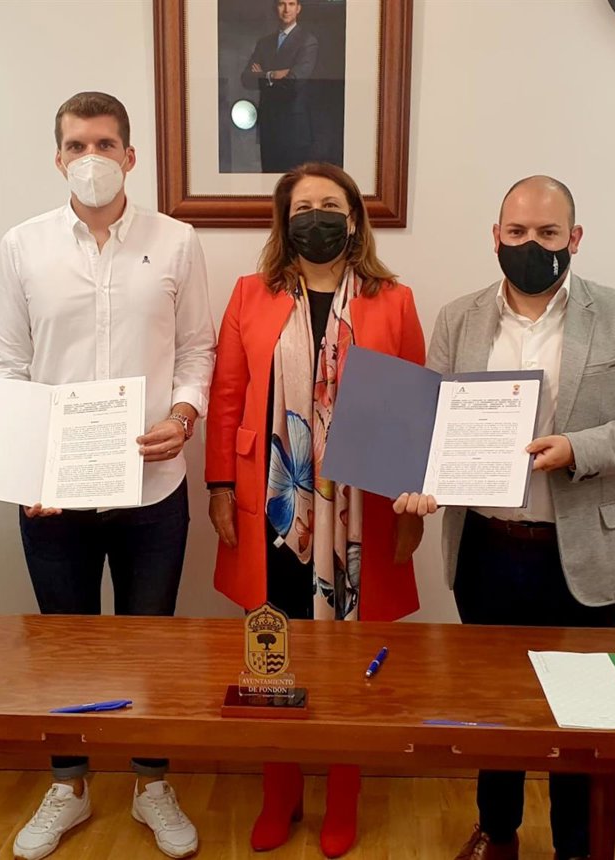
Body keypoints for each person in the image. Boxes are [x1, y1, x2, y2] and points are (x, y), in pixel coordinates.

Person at [396, 176, 615, 860]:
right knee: (494, 708)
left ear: (574, 239)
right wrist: (419, 482)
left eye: (548, 233)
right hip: (486, 548)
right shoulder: (460, 318)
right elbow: (432, 424)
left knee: (580, 716)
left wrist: (579, 449)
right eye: (518, 232)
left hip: (583, 551)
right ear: (496, 237)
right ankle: (497, 832)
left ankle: (574, 848)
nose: (532, 245)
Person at [0, 91, 215, 860]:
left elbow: (197, 349)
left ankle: (151, 784)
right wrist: (23, 464)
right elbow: (4, 362)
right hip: (55, 492)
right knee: (64, 645)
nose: (92, 158)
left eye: (105, 144)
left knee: (152, 644)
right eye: (77, 145)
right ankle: (69, 786)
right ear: (58, 158)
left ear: (130, 156)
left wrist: (183, 414)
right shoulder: (22, 246)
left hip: (154, 485)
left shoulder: (176, 241)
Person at [205, 162, 426, 858]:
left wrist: (414, 508)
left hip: (365, 507)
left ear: (354, 218)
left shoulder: (394, 300)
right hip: (273, 505)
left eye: (330, 204)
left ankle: (343, 792)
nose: (316, 217)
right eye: (302, 207)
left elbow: (414, 408)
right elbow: (228, 395)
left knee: (351, 658)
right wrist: (218, 486)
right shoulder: (251, 294)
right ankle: (280, 791)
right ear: (284, 221)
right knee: (272, 652)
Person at [241, 0, 319, 172]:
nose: (286, 9)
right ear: (275, 8)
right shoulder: (264, 43)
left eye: (291, 4)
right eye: (281, 4)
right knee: (268, 181)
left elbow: (293, 83)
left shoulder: (307, 41)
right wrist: (272, 74)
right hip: (268, 125)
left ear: (298, 8)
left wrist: (262, 75)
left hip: (294, 128)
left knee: (293, 182)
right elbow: (246, 79)